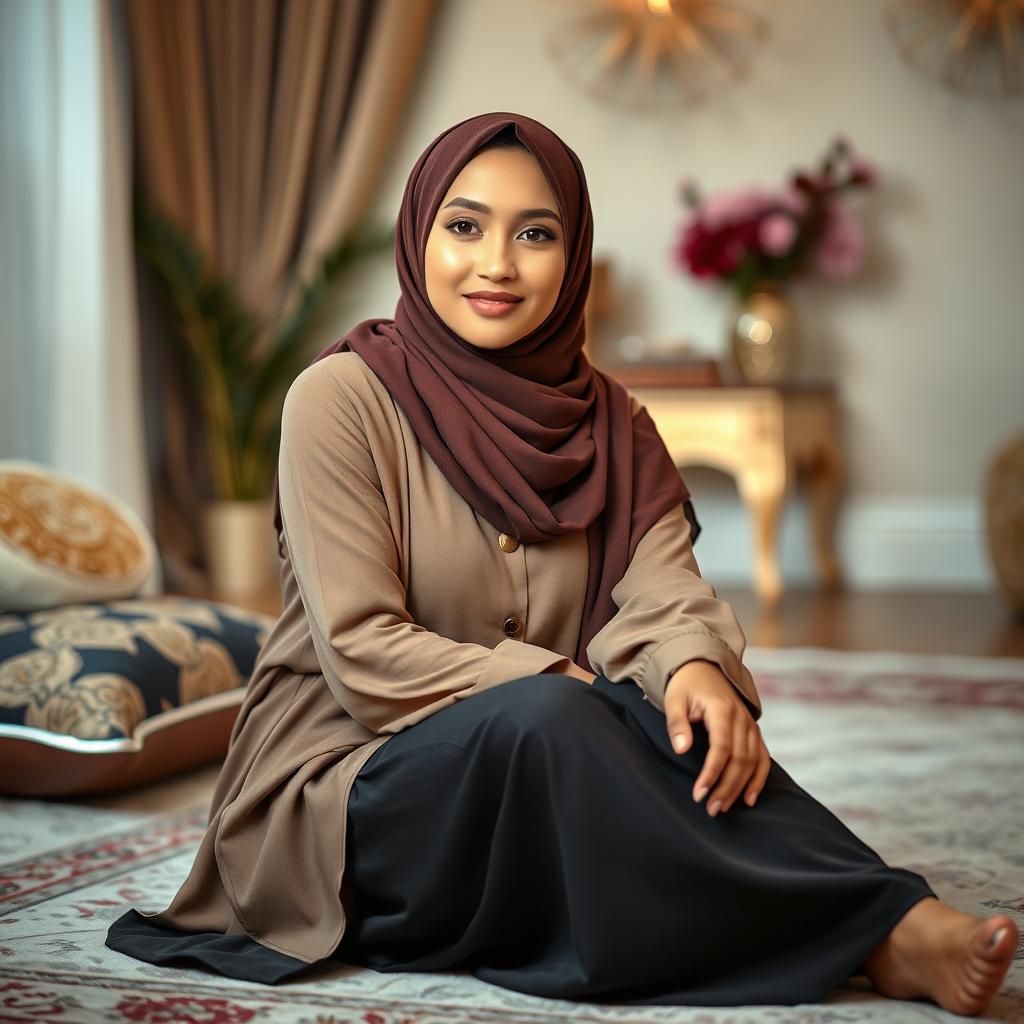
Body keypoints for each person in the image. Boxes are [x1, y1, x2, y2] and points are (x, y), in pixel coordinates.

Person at [106, 112, 1017, 1013]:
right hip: (349, 801)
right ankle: (881, 935)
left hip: (537, 773)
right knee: (565, 712)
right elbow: (362, 651)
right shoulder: (340, 401)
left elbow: (663, 592)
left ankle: (899, 922)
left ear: (574, 253)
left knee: (680, 718)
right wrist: (574, 687)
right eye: (463, 226)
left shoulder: (615, 423)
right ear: (418, 235)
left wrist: (698, 669)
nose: (496, 264)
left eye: (534, 234)